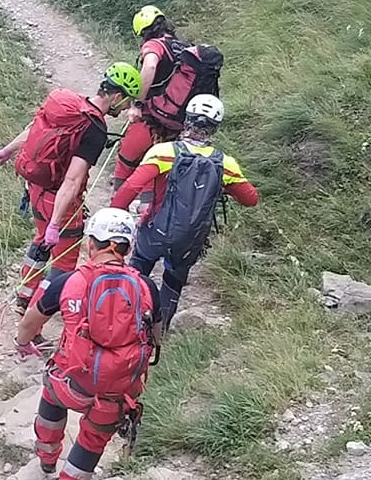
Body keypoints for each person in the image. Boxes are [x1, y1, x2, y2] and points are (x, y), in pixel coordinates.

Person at [32, 208, 155, 480]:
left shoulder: (68, 280)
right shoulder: (146, 287)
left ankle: (47, 460)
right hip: (118, 389)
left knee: (51, 390)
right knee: (93, 438)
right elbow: (154, 333)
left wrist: (23, 342)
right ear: (128, 248)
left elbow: (30, 324)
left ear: (90, 244)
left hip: (73, 382)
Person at [0, 63, 142, 311]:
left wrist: (7, 150)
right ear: (117, 96)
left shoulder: (71, 105)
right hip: (60, 199)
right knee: (63, 264)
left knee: (40, 242)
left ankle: (25, 295)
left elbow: (34, 130)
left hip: (36, 189)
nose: (126, 107)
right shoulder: (94, 129)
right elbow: (72, 180)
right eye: (127, 101)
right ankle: (36, 316)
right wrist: (56, 223)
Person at [109, 94, 259, 333]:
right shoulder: (225, 164)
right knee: (172, 283)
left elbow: (130, 188)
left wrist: (115, 214)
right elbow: (251, 199)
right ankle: (156, 337)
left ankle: (120, 322)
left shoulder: (163, 152)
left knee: (136, 272)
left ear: (186, 120)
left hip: (155, 229)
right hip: (189, 238)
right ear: (214, 128)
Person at [115, 6, 224, 193]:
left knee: (125, 164)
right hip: (177, 126)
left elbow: (149, 66)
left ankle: (115, 207)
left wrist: (137, 103)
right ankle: (147, 211)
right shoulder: (183, 47)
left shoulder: (154, 45)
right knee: (160, 175)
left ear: (144, 32)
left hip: (150, 120)